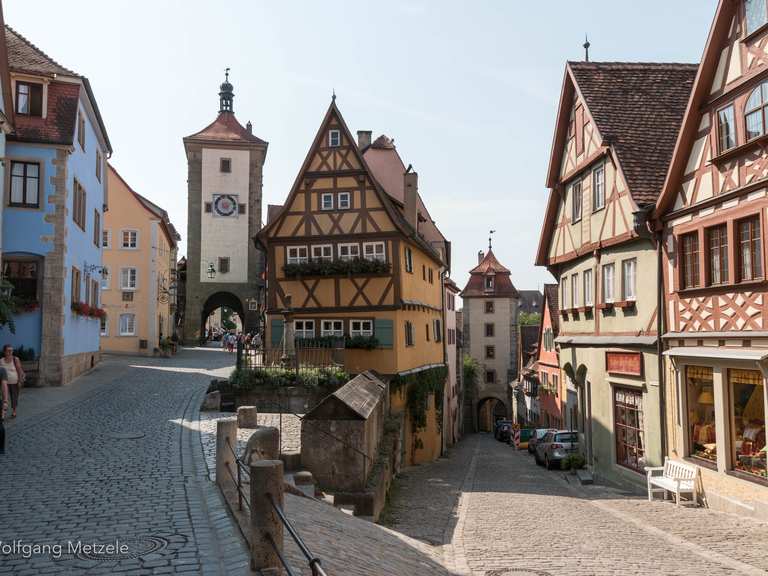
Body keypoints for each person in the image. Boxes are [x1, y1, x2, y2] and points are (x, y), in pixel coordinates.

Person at [0, 345, 24, 418]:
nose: (10, 352)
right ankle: (3, 413)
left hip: (14, 382)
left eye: (11, 350)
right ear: (4, 352)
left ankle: (14, 411)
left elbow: (19, 370)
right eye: (8, 350)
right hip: (4, 383)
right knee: (4, 398)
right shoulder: (1, 360)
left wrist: (19, 381)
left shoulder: (15, 359)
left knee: (14, 397)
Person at [0, 366, 7, 454]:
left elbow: (4, 386)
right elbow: (4, 386)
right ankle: (1, 448)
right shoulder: (2, 370)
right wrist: (5, 401)